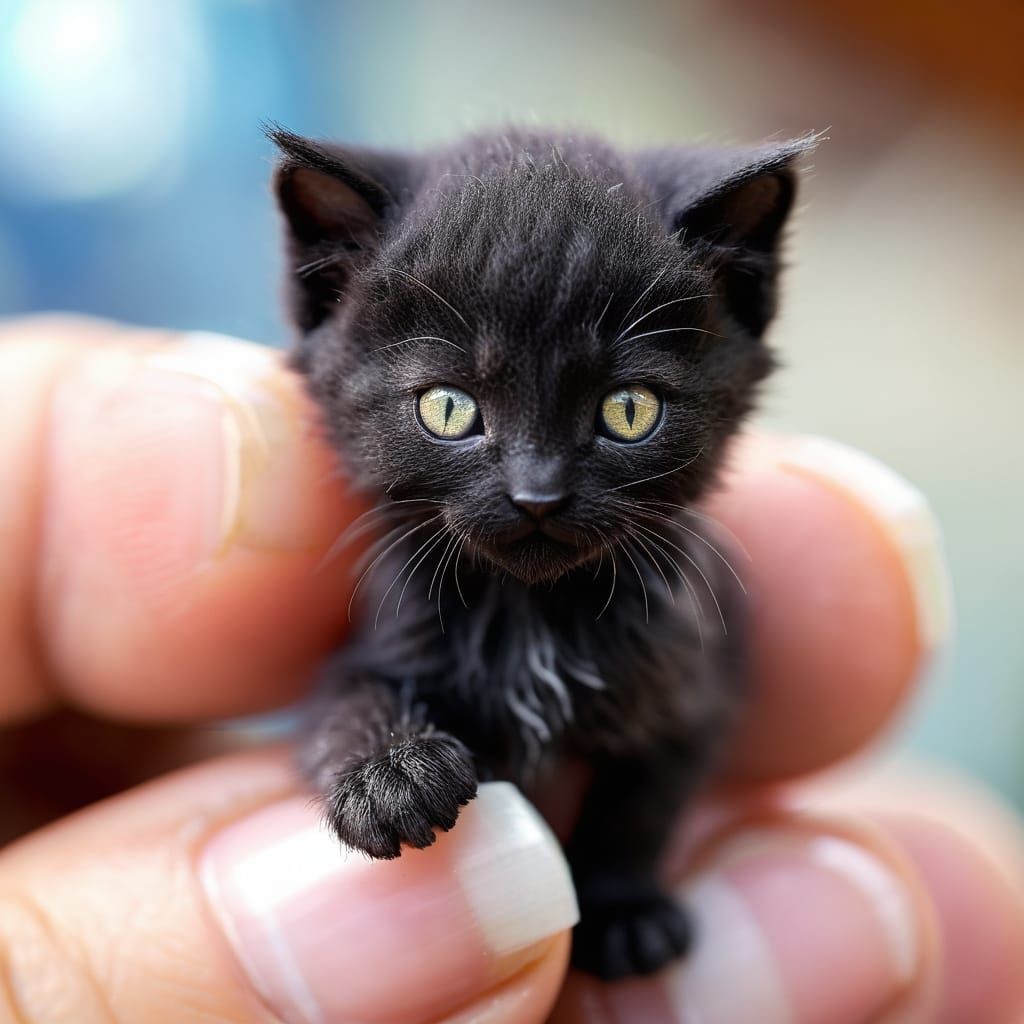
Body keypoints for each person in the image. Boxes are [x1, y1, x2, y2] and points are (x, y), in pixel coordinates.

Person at [1, 316, 1021, 1024]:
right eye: (453, 410)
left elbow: (680, 731)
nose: (535, 486)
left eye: (624, 413)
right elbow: (353, 693)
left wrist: (620, 882)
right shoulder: (403, 582)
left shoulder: (672, 603)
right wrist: (377, 759)